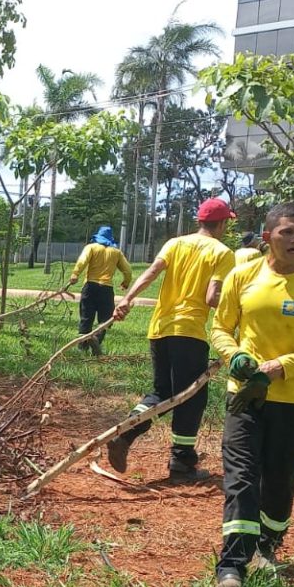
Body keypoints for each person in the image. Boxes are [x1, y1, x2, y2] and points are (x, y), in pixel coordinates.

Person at [208, 201, 294, 587]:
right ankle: (232, 564)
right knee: (241, 477)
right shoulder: (243, 275)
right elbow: (220, 328)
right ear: (268, 236)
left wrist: (282, 367)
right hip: (246, 398)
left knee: (282, 481)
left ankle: (266, 547)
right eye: (287, 232)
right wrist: (235, 357)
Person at [106, 197, 237, 483]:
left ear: (200, 220)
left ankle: (125, 433)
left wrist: (127, 299)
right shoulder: (222, 252)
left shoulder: (175, 243)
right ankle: (182, 463)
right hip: (188, 331)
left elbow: (152, 272)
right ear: (222, 224)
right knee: (191, 397)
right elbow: (212, 297)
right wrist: (239, 312)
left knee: (162, 390)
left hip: (160, 329)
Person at [65, 225, 133, 356]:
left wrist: (75, 274)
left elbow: (82, 261)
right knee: (105, 319)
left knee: (86, 317)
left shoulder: (91, 247)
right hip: (106, 290)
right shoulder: (116, 252)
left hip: (90, 287)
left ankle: (82, 347)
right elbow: (128, 270)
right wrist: (126, 282)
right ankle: (97, 338)